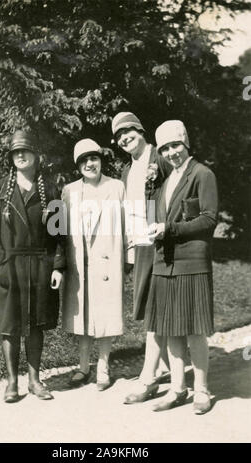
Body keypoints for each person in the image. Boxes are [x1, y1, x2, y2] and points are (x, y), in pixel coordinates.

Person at [0, 130, 65, 403]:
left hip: (40, 266)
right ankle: (11, 382)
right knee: (10, 326)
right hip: (10, 266)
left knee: (36, 324)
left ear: (35, 155)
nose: (20, 156)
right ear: (11, 158)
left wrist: (57, 267)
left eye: (25, 151)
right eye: (15, 152)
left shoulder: (51, 191)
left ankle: (34, 380)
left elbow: (60, 234)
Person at [147, 120, 218, 414]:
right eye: (164, 148)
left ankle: (201, 389)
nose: (171, 152)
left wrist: (169, 229)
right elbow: (156, 214)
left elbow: (209, 219)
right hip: (165, 263)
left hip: (192, 261)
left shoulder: (202, 174)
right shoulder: (165, 182)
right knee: (172, 328)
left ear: (186, 143)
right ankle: (178, 388)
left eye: (175, 145)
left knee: (194, 329)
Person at [111, 112, 172, 404]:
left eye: (128, 131)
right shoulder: (127, 169)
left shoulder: (158, 158)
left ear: (140, 129)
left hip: (158, 242)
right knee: (152, 305)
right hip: (138, 244)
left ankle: (149, 375)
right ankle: (165, 366)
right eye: (120, 135)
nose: (125, 138)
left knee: (155, 307)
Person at [61, 138, 127, 391]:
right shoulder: (69, 191)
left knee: (106, 314)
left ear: (101, 161)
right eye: (84, 160)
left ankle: (103, 367)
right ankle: (83, 367)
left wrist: (128, 258)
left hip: (107, 261)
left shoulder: (116, 187)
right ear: (78, 166)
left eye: (94, 158)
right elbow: (61, 230)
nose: (90, 164)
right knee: (84, 316)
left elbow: (127, 225)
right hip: (80, 264)